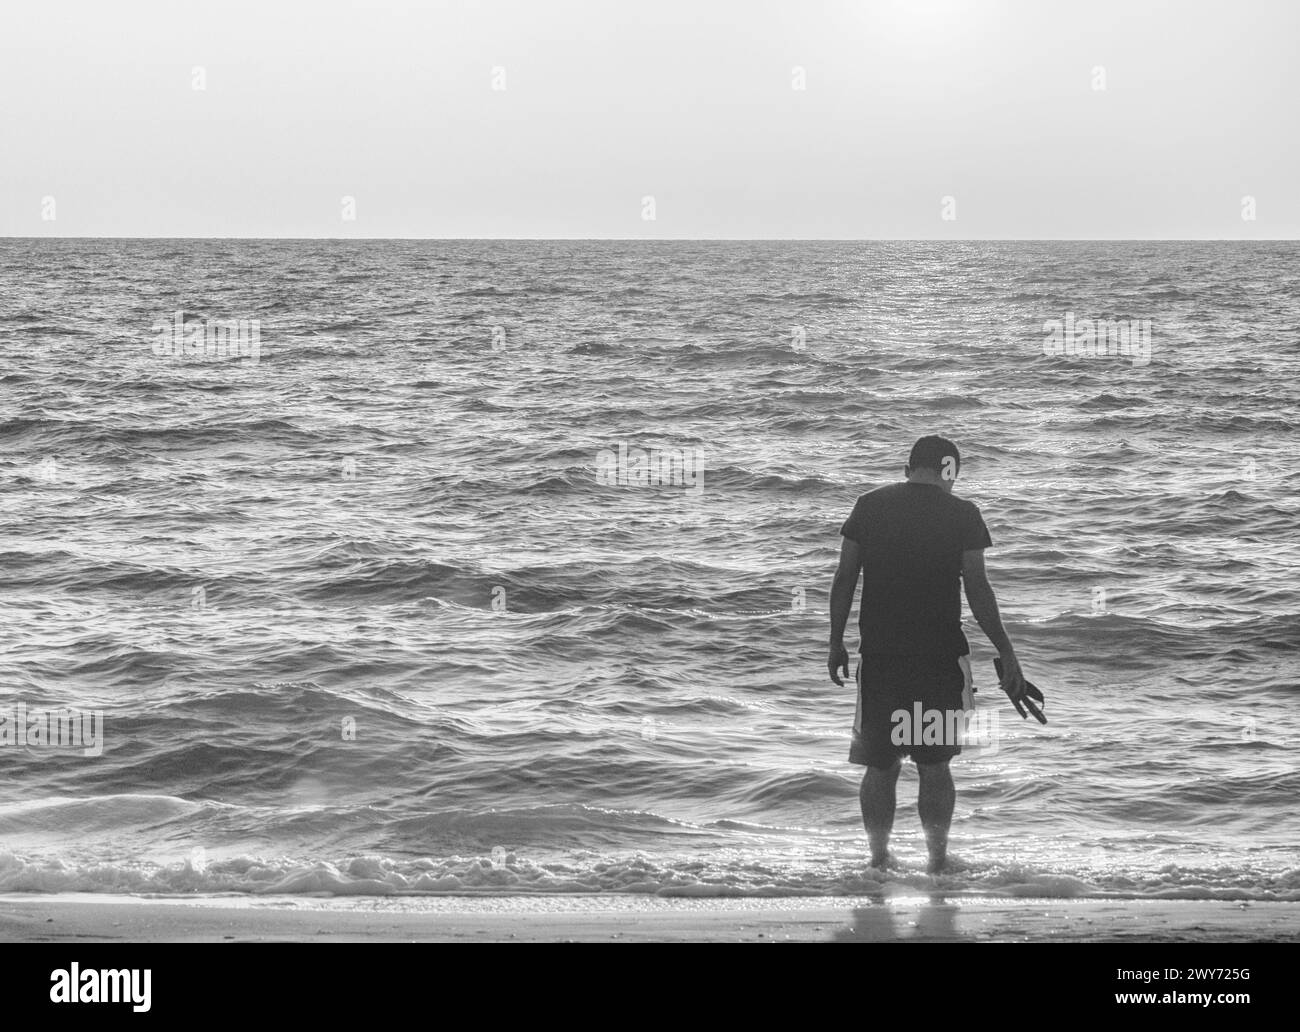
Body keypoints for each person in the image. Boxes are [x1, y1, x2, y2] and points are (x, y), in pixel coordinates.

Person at [827, 435, 1027, 873]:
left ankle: (878, 861)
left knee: (880, 766)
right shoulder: (963, 514)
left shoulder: (869, 505)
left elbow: (844, 578)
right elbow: (978, 589)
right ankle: (937, 861)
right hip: (939, 659)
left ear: (907, 468)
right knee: (934, 764)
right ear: (950, 471)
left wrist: (835, 640)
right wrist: (1006, 651)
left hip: (880, 657)